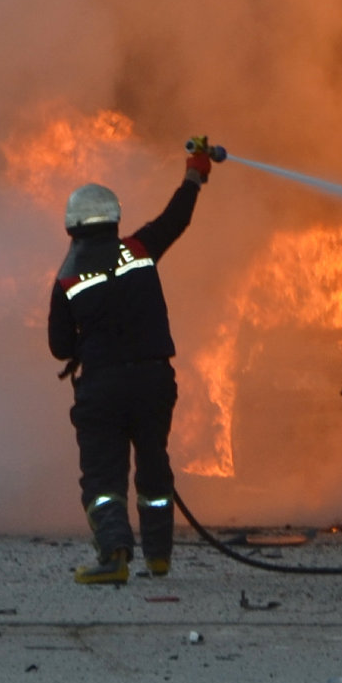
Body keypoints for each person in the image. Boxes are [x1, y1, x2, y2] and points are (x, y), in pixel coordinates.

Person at [48, 138, 213, 584]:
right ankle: (158, 560)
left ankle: (115, 554)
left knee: (104, 478)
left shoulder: (67, 276)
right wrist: (194, 174)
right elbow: (175, 219)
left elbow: (60, 348)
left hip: (103, 388)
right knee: (154, 466)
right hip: (154, 380)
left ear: (74, 228)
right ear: (113, 220)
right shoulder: (138, 249)